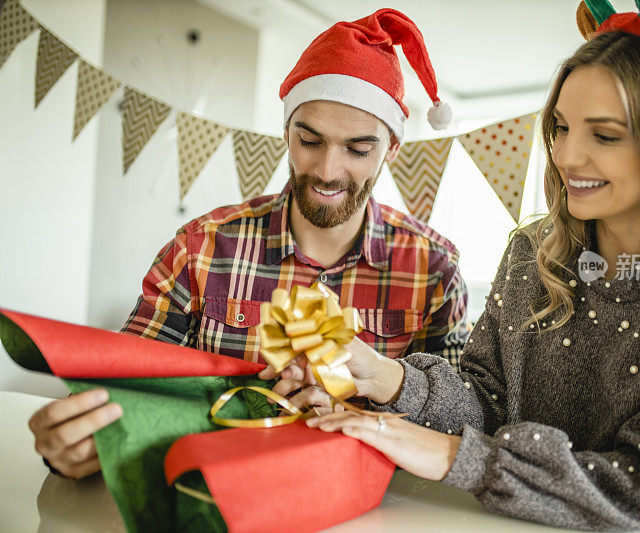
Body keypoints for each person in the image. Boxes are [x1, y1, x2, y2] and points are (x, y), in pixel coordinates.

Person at [296, 2, 640, 529]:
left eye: (604, 135)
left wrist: (451, 456)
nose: (567, 156)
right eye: (560, 127)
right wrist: (387, 377)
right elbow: (486, 402)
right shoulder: (533, 255)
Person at [28, 8, 470, 479]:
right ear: (285, 132)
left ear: (392, 149)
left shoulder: (434, 269)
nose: (327, 170)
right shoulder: (200, 248)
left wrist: (356, 419)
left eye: (358, 150)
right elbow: (126, 385)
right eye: (309, 141)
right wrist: (77, 440)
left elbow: (457, 429)